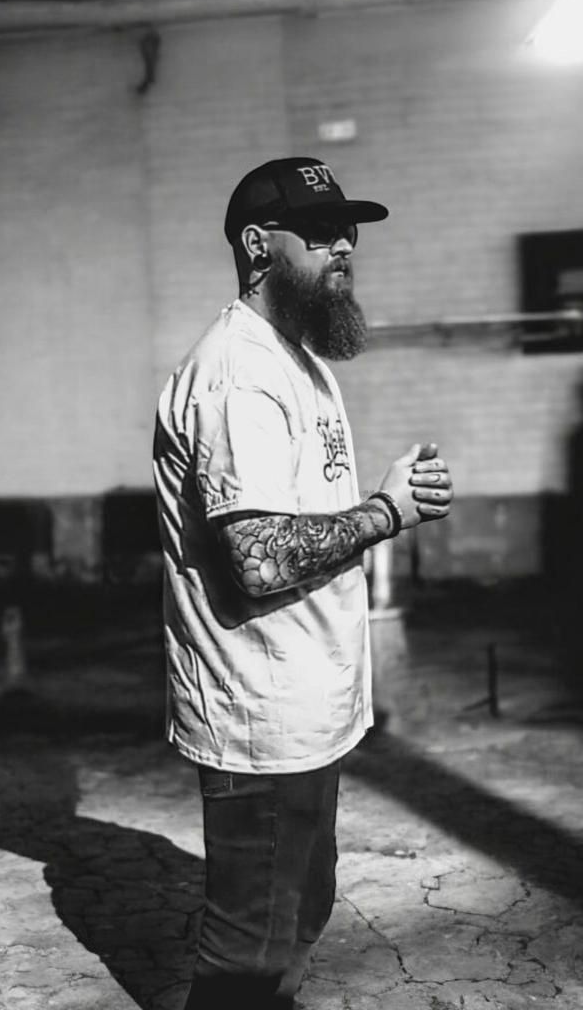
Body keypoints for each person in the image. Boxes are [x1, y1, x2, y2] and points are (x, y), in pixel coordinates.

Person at [152, 156, 453, 1010]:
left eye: (348, 230)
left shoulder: (298, 359)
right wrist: (385, 513)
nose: (344, 245)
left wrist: (391, 500)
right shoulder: (236, 374)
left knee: (303, 911)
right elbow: (257, 559)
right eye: (320, 233)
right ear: (258, 246)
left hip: (307, 710)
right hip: (260, 715)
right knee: (248, 950)